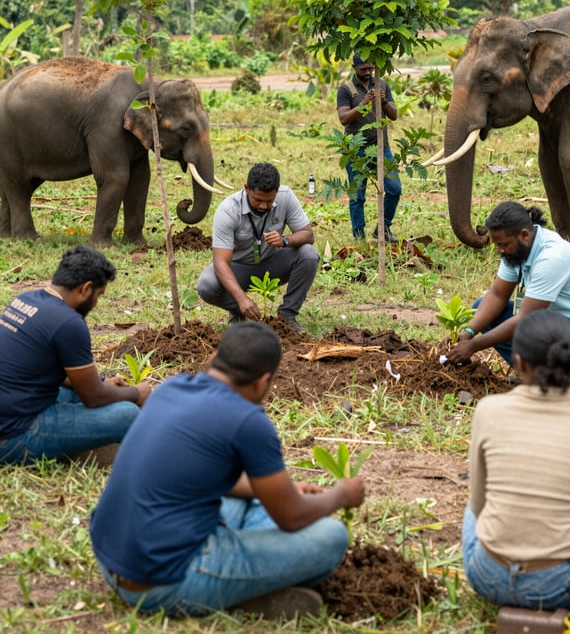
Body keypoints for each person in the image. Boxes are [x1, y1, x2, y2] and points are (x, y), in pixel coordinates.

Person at [90, 322, 365, 618]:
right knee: (331, 536)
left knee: (255, 500)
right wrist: (340, 495)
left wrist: (286, 492)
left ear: (212, 359)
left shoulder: (172, 387)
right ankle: (238, 598)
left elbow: (197, 476)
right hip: (163, 582)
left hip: (112, 561)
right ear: (262, 382)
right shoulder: (248, 420)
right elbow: (291, 517)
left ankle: (237, 584)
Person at [462, 310, 570, 610]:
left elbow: (480, 505)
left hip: (486, 576)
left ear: (518, 362)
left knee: (471, 511)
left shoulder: (489, 410)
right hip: (556, 586)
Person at [0, 245, 151, 465]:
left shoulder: (25, 300)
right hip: (15, 437)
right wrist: (137, 393)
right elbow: (93, 397)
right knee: (126, 414)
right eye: (98, 295)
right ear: (86, 288)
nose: (96, 303)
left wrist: (102, 383)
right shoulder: (69, 322)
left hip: (12, 409)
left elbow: (45, 369)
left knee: (80, 393)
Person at [445, 202, 570, 389]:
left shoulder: (552, 257)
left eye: (503, 245)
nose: (500, 250)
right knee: (481, 306)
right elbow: (498, 295)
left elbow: (525, 319)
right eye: (497, 245)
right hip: (553, 324)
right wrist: (468, 332)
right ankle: (537, 373)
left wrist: (474, 346)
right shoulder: (515, 249)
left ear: (524, 235)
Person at [196, 162, 319, 334]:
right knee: (206, 285)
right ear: (246, 188)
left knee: (309, 254)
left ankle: (286, 317)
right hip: (239, 268)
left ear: (277, 191)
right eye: (257, 200)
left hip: (272, 263)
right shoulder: (228, 210)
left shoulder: (286, 196)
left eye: (269, 201)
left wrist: (285, 240)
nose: (263, 206)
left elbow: (308, 234)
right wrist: (241, 299)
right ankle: (238, 311)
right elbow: (221, 263)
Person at [336, 52, 401, 242]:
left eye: (370, 68)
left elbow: (394, 114)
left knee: (394, 188)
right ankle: (359, 236)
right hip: (356, 151)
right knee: (357, 195)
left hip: (381, 147)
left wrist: (383, 102)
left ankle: (384, 228)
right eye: (363, 69)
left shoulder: (382, 85)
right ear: (354, 68)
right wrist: (364, 103)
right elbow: (343, 118)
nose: (367, 72)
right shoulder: (346, 90)